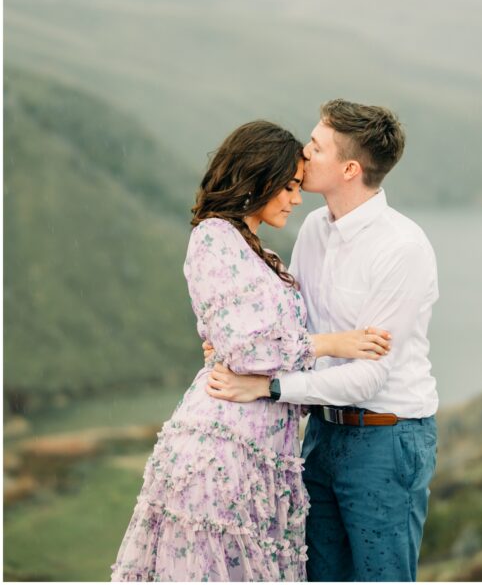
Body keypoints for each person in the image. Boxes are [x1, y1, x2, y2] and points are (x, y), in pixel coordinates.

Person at [111, 120, 391, 581]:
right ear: (257, 178)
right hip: (221, 451)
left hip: (261, 453)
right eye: (287, 187)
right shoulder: (214, 237)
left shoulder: (257, 251)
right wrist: (334, 343)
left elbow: (249, 338)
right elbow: (249, 348)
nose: (296, 199)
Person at [204, 100, 439, 583]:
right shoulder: (313, 229)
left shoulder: (402, 248)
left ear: (349, 168)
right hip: (320, 433)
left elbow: (370, 375)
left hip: (386, 436)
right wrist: (231, 344)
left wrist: (268, 387)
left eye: (316, 147)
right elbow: (292, 329)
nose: (303, 154)